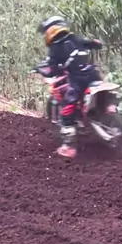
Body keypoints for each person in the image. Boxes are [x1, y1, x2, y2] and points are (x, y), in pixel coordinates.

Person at [38, 16, 103, 158]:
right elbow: (92, 43)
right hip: (94, 75)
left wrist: (43, 70)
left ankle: (69, 147)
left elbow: (53, 68)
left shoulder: (55, 47)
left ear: (51, 30)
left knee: (67, 111)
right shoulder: (74, 38)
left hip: (78, 80)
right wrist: (96, 43)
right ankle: (109, 108)